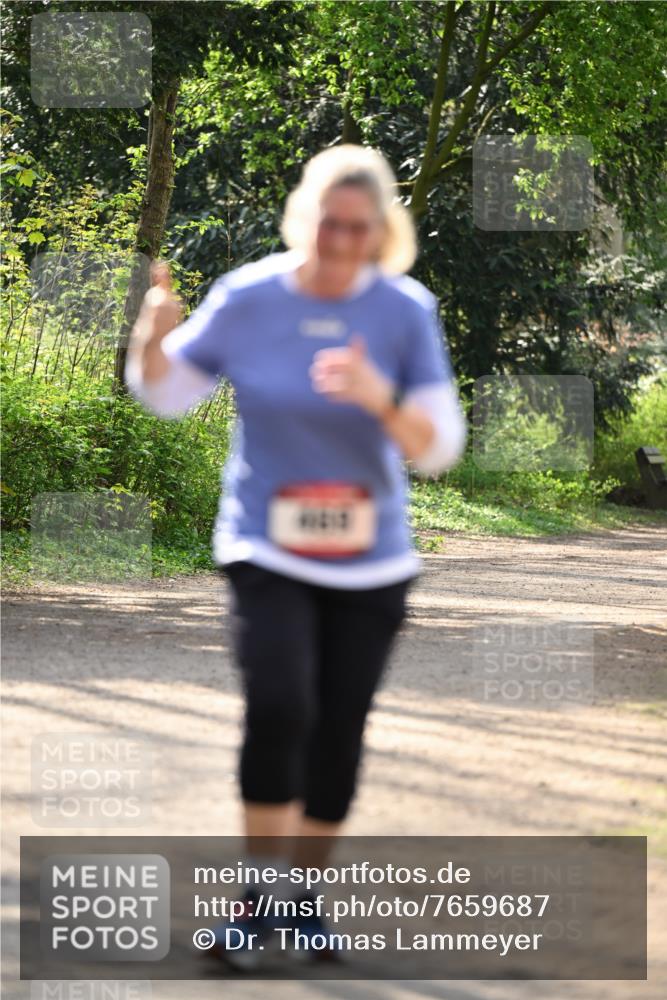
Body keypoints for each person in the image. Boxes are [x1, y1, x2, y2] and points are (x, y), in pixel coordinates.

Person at [126, 143, 467, 969]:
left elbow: (438, 449)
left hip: (371, 558)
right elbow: (167, 395)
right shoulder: (249, 297)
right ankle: (254, 902)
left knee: (338, 729)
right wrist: (150, 340)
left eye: (358, 228)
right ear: (302, 218)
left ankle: (301, 901)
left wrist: (378, 397)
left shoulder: (403, 310)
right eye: (328, 223)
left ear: (379, 232)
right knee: (279, 703)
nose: (341, 241)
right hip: (265, 544)